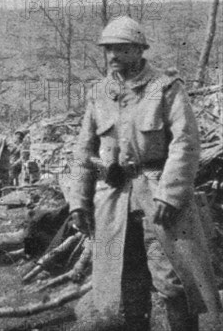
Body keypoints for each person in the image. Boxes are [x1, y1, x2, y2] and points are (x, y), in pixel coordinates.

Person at [67, 17, 222, 330]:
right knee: (126, 282)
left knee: (174, 280)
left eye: (121, 49)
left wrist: (171, 193)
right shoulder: (98, 93)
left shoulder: (164, 89)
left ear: (139, 50)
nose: (112, 55)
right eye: (108, 49)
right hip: (114, 203)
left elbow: (186, 143)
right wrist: (79, 202)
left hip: (159, 201)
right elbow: (84, 150)